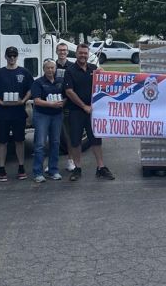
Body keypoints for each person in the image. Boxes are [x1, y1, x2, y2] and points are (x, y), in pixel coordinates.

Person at [64, 42, 115, 181]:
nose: (83, 55)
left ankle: (101, 167)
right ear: (76, 54)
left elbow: (105, 83)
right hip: (76, 111)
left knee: (96, 139)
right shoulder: (70, 70)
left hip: (94, 111)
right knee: (75, 141)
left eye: (85, 53)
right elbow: (69, 91)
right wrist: (83, 106)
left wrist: (104, 75)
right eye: (80, 53)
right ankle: (77, 168)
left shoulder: (93, 68)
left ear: (88, 55)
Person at [0, 47, 34, 182]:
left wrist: (23, 100)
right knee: (2, 141)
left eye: (14, 56)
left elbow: (31, 89)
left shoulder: (24, 72)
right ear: (5, 57)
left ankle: (21, 166)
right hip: (3, 112)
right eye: (9, 56)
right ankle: (1, 168)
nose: (12, 58)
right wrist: (0, 102)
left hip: (19, 112)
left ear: (17, 56)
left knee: (20, 140)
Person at [31, 59, 66, 183]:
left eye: (52, 68)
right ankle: (38, 173)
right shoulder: (38, 82)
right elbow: (36, 100)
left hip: (57, 115)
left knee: (55, 142)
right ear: (43, 69)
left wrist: (62, 103)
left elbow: (66, 96)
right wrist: (51, 104)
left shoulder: (60, 82)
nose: (50, 70)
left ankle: (53, 170)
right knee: (40, 144)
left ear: (55, 69)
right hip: (42, 115)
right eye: (48, 68)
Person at [55, 42, 75, 172]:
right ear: (56, 51)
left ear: (67, 52)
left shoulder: (72, 66)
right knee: (53, 135)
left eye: (64, 50)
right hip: (53, 104)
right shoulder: (51, 65)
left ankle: (70, 161)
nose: (62, 52)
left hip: (68, 104)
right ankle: (51, 162)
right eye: (60, 50)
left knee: (68, 135)